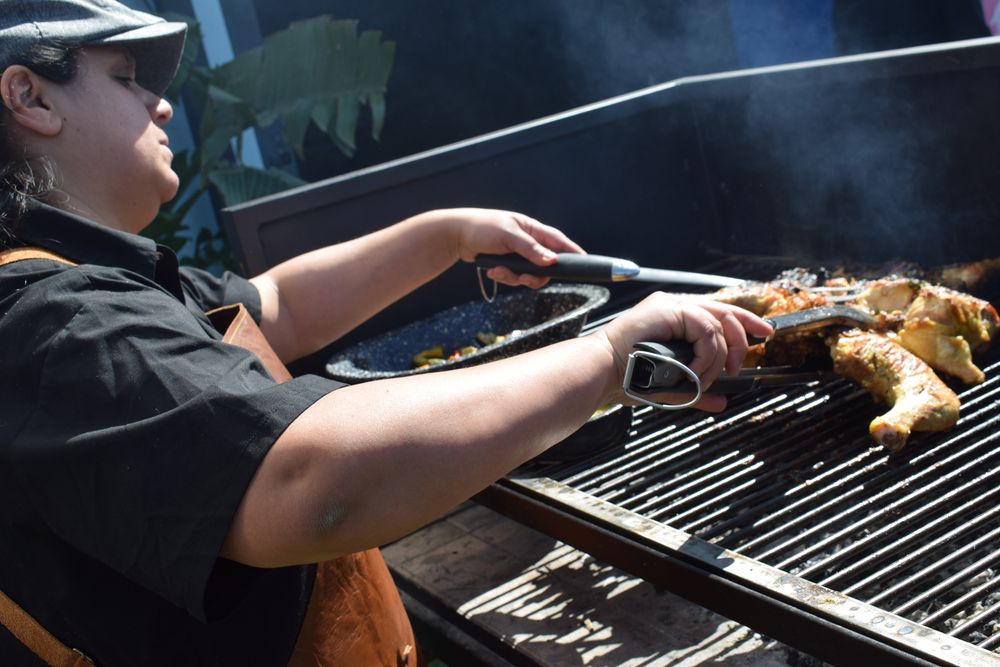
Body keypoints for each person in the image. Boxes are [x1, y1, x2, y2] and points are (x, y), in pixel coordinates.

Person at [0, 1, 772, 665]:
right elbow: (309, 480)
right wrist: (606, 357)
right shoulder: (51, 320)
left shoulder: (89, 279)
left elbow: (276, 305)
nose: (160, 105)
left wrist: (444, 236)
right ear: (29, 95)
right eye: (126, 78)